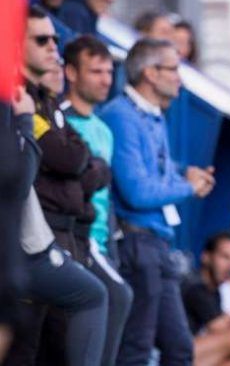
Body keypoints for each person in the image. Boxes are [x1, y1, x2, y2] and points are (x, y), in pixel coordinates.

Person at [99, 38, 215, 365]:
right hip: (136, 244)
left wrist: (184, 171)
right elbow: (137, 191)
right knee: (136, 348)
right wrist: (188, 187)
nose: (180, 77)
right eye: (174, 68)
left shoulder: (154, 116)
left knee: (180, 348)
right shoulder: (121, 116)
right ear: (150, 73)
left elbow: (157, 167)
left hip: (158, 246)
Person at [4, 5, 107, 366]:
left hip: (40, 236)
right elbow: (30, 172)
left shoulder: (38, 101)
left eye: (56, 39)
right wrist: (23, 124)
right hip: (24, 240)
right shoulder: (17, 101)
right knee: (91, 299)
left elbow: (85, 161)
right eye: (42, 39)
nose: (53, 47)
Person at [61, 35, 134, 366]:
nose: (106, 79)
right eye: (96, 71)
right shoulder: (59, 118)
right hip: (74, 240)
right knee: (119, 296)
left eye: (108, 72)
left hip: (104, 244)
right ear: (71, 73)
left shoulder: (104, 129)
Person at [182, 233, 230, 366]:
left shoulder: (214, 290)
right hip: (170, 355)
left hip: (191, 353)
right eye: (225, 257)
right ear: (206, 257)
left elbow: (228, 329)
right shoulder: (196, 287)